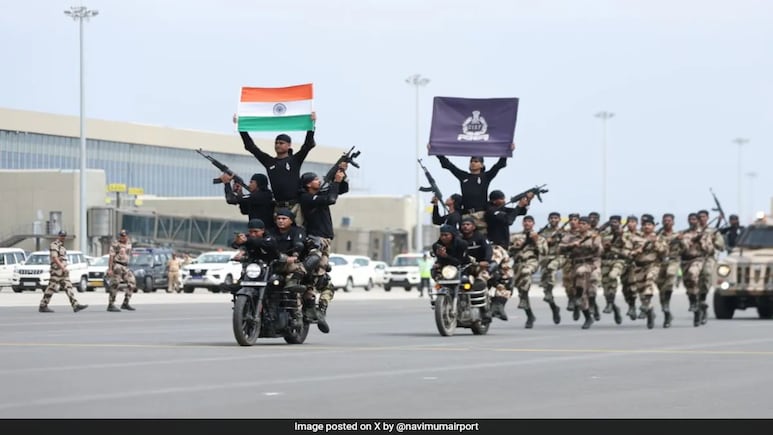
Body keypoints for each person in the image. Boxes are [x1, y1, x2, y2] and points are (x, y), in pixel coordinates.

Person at [234, 112, 317, 226]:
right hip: (278, 207)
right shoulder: (269, 162)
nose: (278, 145)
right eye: (276, 143)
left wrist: (312, 125)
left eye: (281, 143)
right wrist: (241, 127)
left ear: (289, 145)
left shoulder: (294, 160)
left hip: (295, 206)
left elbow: (307, 145)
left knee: (298, 233)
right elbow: (251, 147)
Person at [299, 168, 349, 333]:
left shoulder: (319, 193)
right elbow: (331, 198)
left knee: (324, 281)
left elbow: (341, 190)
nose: (318, 181)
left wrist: (341, 175)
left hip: (325, 240)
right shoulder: (306, 198)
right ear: (308, 184)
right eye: (315, 179)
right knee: (315, 278)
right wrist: (334, 182)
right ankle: (310, 308)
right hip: (316, 239)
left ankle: (320, 311)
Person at [430, 146, 513, 233]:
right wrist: (437, 151)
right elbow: (449, 165)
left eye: (476, 161)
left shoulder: (485, 177)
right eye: (471, 161)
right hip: (466, 215)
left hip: (480, 215)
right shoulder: (464, 176)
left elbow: (498, 165)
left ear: (481, 165)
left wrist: (507, 150)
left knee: (481, 238)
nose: (473, 163)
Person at [485, 189, 531, 321]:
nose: (504, 202)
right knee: (489, 272)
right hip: (495, 248)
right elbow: (509, 220)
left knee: (508, 280)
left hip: (503, 249)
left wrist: (527, 201)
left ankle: (498, 306)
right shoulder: (491, 211)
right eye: (501, 199)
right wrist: (518, 206)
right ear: (494, 200)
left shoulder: (500, 209)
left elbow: (521, 212)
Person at [559, 216, 603, 329]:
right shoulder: (571, 236)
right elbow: (560, 248)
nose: (582, 225)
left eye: (584, 224)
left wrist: (595, 243)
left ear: (588, 225)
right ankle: (588, 316)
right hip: (576, 263)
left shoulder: (594, 236)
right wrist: (571, 245)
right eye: (580, 223)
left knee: (591, 288)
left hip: (591, 264)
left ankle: (591, 304)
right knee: (581, 293)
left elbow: (599, 252)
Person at [628, 214, 667, 329]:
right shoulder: (635, 237)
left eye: (649, 225)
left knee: (649, 282)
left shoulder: (659, 238)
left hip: (653, 265)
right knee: (641, 293)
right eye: (645, 225)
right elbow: (627, 251)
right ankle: (649, 312)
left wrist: (655, 243)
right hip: (639, 267)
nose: (647, 227)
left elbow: (664, 252)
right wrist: (635, 251)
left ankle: (646, 307)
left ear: (654, 226)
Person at [508, 216, 547, 328]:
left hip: (531, 262)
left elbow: (544, 252)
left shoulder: (539, 237)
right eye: (525, 221)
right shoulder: (515, 236)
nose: (527, 223)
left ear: (533, 223)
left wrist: (535, 242)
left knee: (526, 272)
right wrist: (518, 246)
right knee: (521, 292)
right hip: (517, 264)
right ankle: (530, 315)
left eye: (529, 221)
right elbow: (508, 250)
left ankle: (524, 300)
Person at [38, 230, 88, 313]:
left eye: (64, 236)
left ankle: (75, 305)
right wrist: (62, 268)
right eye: (61, 236)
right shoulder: (54, 245)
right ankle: (43, 305)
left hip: (63, 272)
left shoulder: (63, 247)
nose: (63, 237)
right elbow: (55, 258)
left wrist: (64, 268)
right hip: (56, 271)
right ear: (58, 236)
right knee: (51, 287)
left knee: (69, 287)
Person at [599, 215, 627, 325]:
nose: (613, 224)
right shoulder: (604, 234)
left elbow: (626, 249)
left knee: (612, 276)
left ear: (620, 223)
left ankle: (610, 304)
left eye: (616, 222)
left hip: (618, 261)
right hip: (605, 261)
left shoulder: (625, 234)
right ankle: (613, 307)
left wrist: (614, 246)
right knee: (606, 286)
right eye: (611, 222)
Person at [537, 212, 564, 324]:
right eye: (551, 218)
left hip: (559, 257)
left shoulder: (563, 232)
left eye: (556, 218)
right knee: (545, 285)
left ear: (559, 219)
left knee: (551, 269)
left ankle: (551, 287)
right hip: (546, 259)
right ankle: (554, 307)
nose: (553, 220)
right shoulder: (543, 232)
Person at [106, 229, 138, 312]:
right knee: (115, 284)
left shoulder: (129, 243)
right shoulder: (115, 244)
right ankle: (111, 304)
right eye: (121, 235)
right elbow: (111, 256)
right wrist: (110, 269)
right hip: (117, 265)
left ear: (127, 236)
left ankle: (125, 303)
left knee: (132, 282)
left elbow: (129, 254)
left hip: (125, 266)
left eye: (123, 236)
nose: (122, 237)